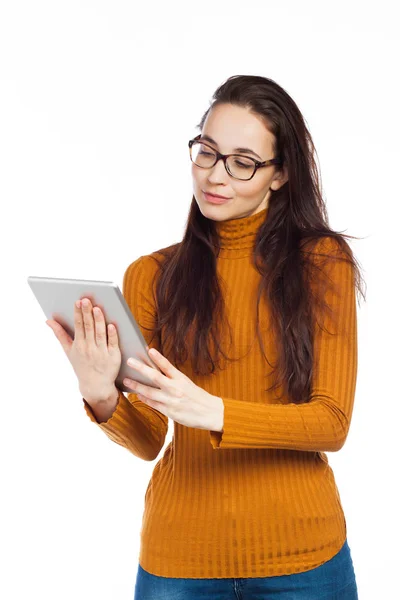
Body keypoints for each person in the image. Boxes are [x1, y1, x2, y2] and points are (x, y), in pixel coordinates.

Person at [47, 75, 365, 599]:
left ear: (280, 174)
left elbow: (331, 422)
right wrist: (102, 395)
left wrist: (213, 411)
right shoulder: (151, 275)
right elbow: (150, 438)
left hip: (303, 559)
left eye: (243, 162)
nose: (216, 176)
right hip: (178, 561)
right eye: (207, 152)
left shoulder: (322, 263)